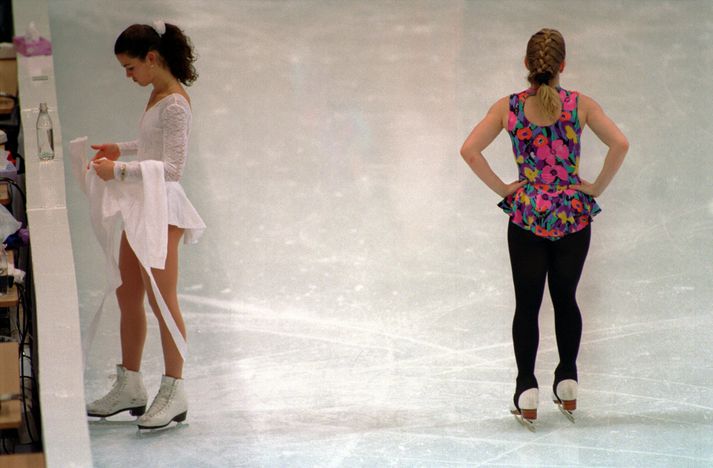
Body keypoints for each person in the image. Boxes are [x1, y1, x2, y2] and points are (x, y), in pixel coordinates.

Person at [459, 28, 628, 427]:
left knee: (528, 304)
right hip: (573, 213)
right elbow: (619, 143)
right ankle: (567, 379)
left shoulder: (508, 108)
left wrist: (504, 187)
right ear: (562, 66)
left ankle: (526, 386)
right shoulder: (580, 106)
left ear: (526, 66)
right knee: (566, 298)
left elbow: (469, 150)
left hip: (528, 215)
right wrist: (595, 188)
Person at [85, 20, 206, 430]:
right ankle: (131, 384)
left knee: (162, 300)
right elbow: (154, 147)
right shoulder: (157, 93)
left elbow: (171, 168)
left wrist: (118, 170)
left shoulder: (175, 103)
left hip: (161, 208)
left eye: (130, 67)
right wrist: (124, 148)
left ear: (152, 59)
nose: (128, 75)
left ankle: (175, 389)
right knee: (127, 292)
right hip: (142, 204)